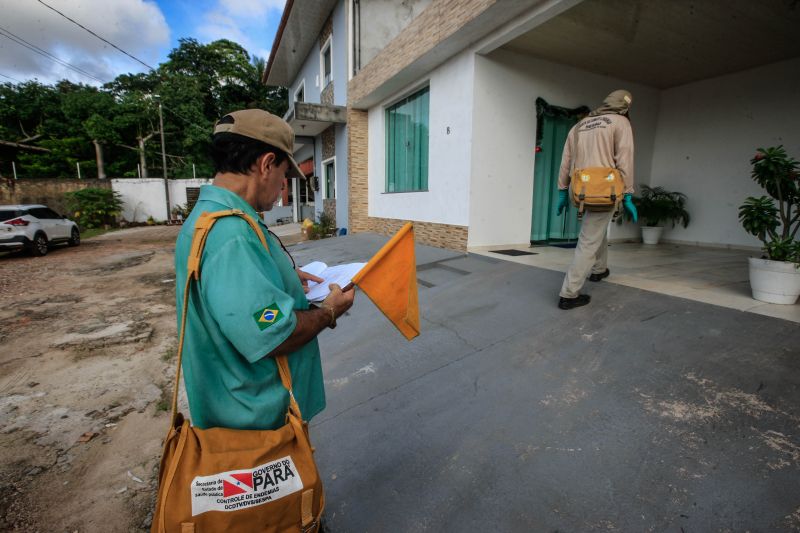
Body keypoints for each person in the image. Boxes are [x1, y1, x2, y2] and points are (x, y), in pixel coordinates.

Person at [174, 109, 355, 430]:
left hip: (238, 410)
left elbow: (236, 299)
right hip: (258, 425)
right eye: (284, 173)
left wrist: (279, 273)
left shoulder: (209, 217)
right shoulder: (231, 235)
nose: (284, 184)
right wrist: (329, 311)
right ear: (266, 164)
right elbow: (272, 331)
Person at [555, 90, 638, 310]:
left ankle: (599, 269)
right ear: (625, 105)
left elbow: (566, 160)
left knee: (594, 229)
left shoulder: (579, 125)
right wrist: (628, 193)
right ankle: (569, 294)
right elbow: (625, 159)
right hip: (606, 190)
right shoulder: (620, 122)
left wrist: (563, 191)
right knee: (588, 240)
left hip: (581, 190)